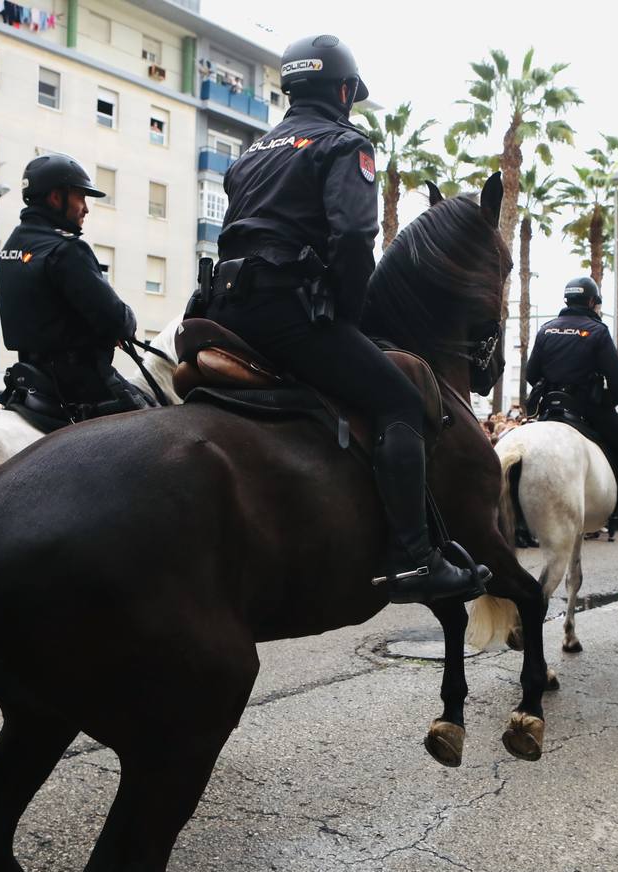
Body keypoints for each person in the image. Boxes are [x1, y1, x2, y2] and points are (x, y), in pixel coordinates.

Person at [205, 33, 485, 603]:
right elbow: (355, 235)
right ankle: (412, 559)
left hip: (225, 310)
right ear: (343, 89)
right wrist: (346, 314)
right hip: (289, 314)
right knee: (400, 401)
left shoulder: (250, 154)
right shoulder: (341, 142)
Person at [0, 153, 152, 421]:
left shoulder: (10, 249)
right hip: (80, 387)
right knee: (157, 430)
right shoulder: (67, 250)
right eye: (81, 197)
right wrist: (126, 322)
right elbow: (114, 320)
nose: (86, 208)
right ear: (56, 197)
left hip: (29, 376)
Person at [526, 276, 618, 534]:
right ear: (592, 301)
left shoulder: (546, 329)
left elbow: (530, 374)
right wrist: (607, 401)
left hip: (549, 408)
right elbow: (616, 377)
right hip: (584, 408)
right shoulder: (597, 331)